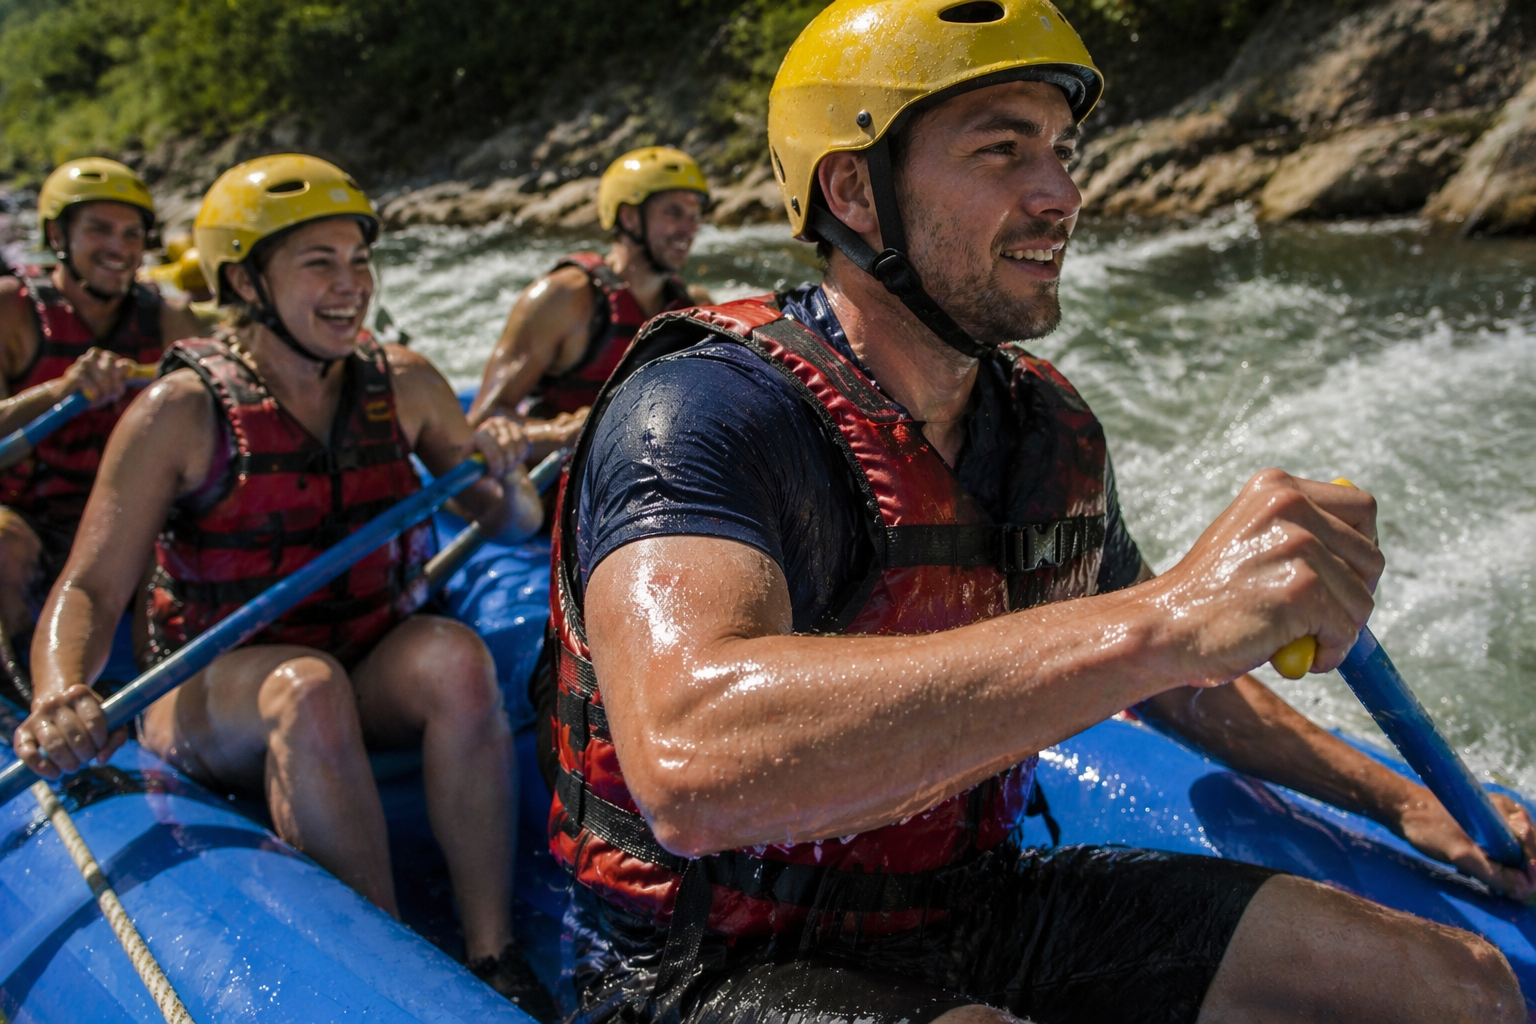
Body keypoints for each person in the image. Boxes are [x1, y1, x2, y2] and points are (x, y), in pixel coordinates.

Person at [537, 2, 1535, 1023]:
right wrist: (1162, 621)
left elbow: (1182, 683)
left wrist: (1399, 797)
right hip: (710, 959)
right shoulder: (702, 412)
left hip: (975, 903)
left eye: (1062, 151)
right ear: (856, 191)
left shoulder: (1046, 429)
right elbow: (692, 761)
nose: (1061, 195)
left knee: (1459, 984)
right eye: (1004, 152)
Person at [9, 154, 558, 1019]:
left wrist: (497, 469)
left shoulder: (405, 381)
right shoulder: (180, 411)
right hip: (216, 683)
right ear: (245, 279)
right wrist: (59, 691)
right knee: (305, 687)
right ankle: (390, 975)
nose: (352, 287)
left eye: (360, 262)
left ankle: (493, 956)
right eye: (319, 264)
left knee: (454, 658)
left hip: (365, 645)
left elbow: (515, 525)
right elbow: (86, 588)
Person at [0, 159, 201, 694]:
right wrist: (61, 391)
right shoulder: (10, 311)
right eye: (99, 230)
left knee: (176, 539)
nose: (120, 247)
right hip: (30, 520)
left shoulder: (169, 319)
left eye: (133, 234)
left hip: (126, 520)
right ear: (56, 236)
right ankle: (19, 701)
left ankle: (158, 697)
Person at [468, 146, 711, 462]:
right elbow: (481, 424)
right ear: (628, 217)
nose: (689, 229)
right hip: (567, 488)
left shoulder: (692, 307)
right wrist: (559, 435)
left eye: (694, 216)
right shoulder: (563, 298)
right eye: (674, 212)